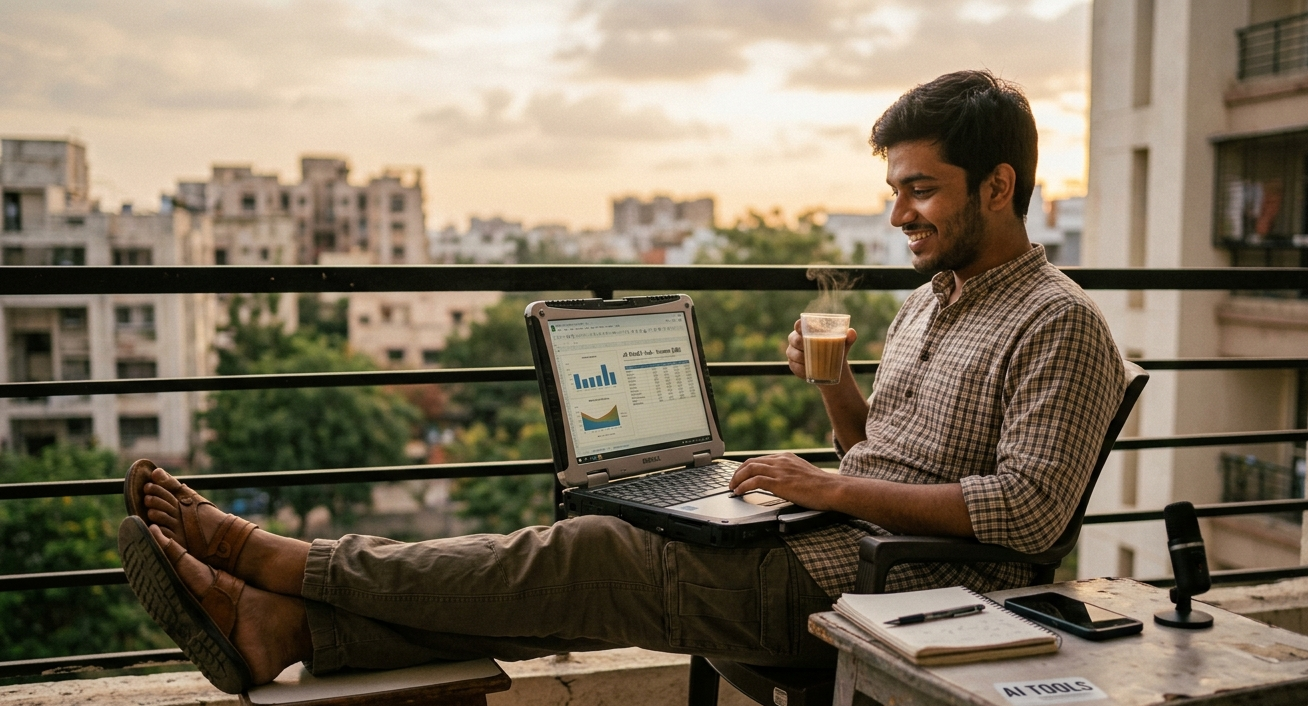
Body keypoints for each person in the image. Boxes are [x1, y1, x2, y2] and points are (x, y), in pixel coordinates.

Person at [119, 69, 1125, 694]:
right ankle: (284, 626)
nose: (900, 210)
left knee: (583, 554)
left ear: (998, 187)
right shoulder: (933, 299)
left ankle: (283, 565)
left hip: (901, 593)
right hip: (828, 545)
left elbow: (1026, 516)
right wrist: (834, 396)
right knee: (607, 552)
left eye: (921, 187)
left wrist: (824, 487)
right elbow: (876, 456)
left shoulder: (1059, 323)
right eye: (894, 187)